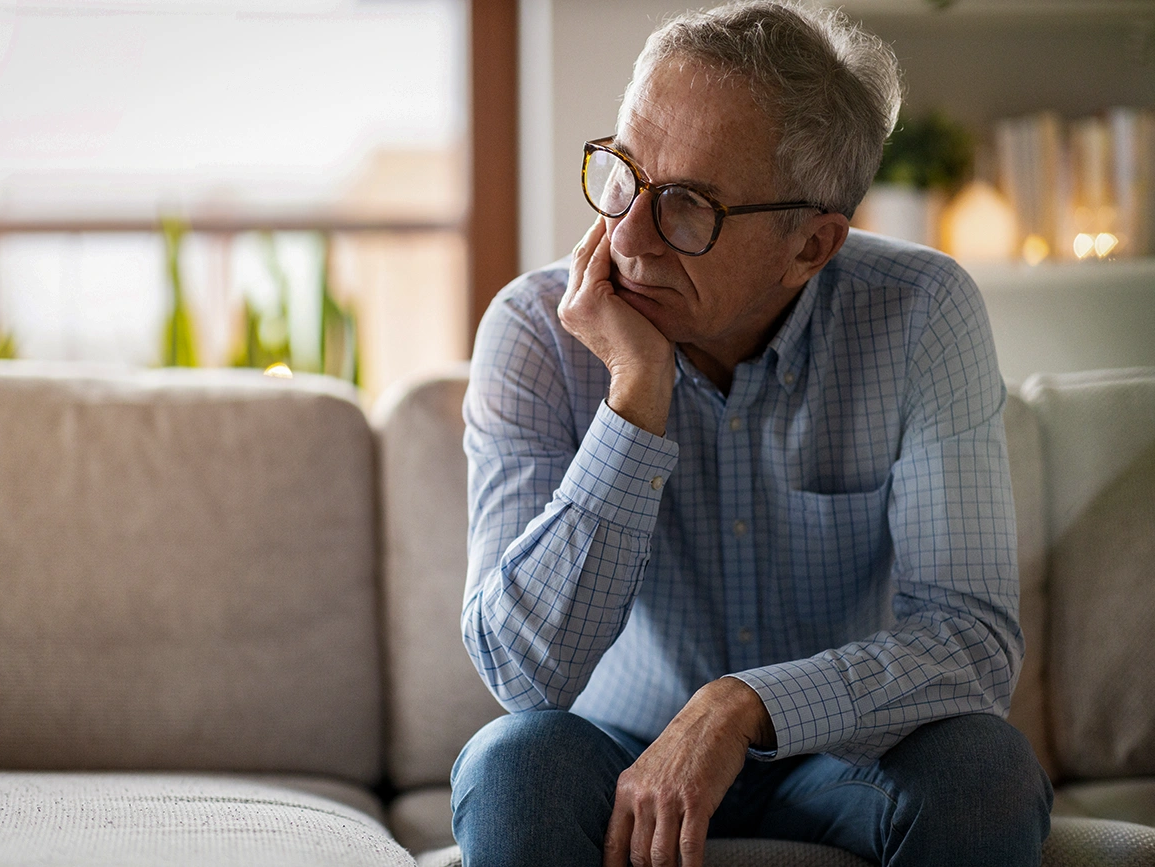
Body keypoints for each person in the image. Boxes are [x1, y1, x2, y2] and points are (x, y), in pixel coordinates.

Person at [450, 2, 1053, 866]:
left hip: (844, 757)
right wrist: (634, 398)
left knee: (984, 768)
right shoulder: (536, 329)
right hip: (617, 754)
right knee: (514, 764)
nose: (625, 236)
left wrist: (741, 706)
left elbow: (971, 642)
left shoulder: (923, 312)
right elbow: (523, 676)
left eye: (688, 206)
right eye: (622, 172)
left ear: (811, 244)